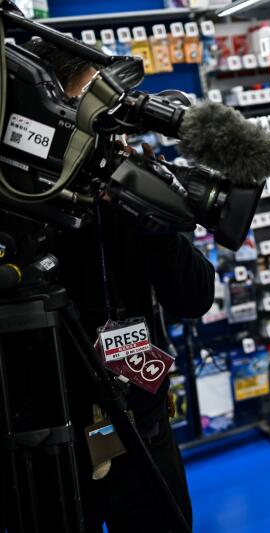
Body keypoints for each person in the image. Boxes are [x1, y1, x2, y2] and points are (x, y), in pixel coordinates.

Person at [21, 38, 215, 532]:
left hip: (140, 427)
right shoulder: (20, 204)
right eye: (91, 111)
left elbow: (195, 297)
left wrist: (159, 222)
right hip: (49, 446)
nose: (109, 129)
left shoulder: (124, 188)